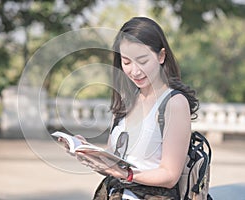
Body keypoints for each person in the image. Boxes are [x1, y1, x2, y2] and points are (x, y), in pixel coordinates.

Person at [60, 17, 199, 200]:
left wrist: (127, 175)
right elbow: (113, 163)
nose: (134, 71)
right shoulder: (126, 101)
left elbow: (170, 175)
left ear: (161, 56)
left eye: (142, 61)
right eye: (126, 62)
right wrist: (87, 153)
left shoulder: (174, 103)